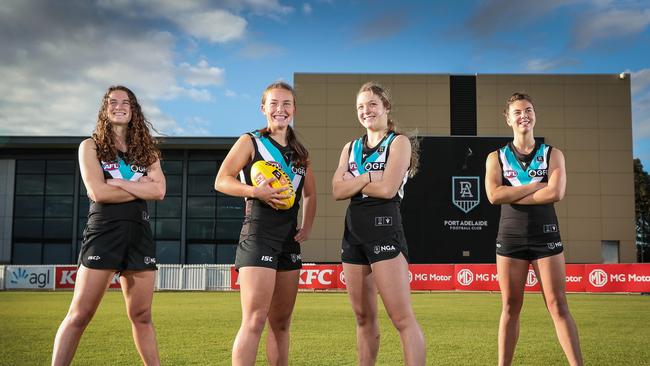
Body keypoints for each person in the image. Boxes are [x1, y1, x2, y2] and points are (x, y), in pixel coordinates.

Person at [52, 86, 166, 366]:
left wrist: (118, 183)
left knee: (142, 316)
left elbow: (160, 191)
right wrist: (139, 187)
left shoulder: (146, 150)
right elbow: (99, 193)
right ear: (105, 109)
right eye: (112, 102)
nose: (119, 106)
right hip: (104, 232)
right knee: (80, 314)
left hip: (139, 233)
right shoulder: (90, 146)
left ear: (133, 109)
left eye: (125, 102)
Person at [214, 81, 317, 366]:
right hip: (259, 233)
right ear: (263, 109)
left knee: (281, 324)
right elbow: (222, 180)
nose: (280, 109)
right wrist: (254, 191)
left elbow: (310, 194)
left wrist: (306, 227)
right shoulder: (251, 142)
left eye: (286, 104)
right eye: (273, 104)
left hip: (288, 240)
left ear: (294, 109)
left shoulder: (300, 153)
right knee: (255, 319)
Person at [485, 92, 583, 366]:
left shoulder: (552, 154)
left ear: (534, 115)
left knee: (558, 306)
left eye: (528, 110)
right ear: (508, 119)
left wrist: (512, 192)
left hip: (546, 237)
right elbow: (493, 196)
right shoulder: (496, 157)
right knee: (509, 307)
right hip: (510, 238)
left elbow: (556, 193)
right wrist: (532, 187)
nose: (523, 115)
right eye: (517, 112)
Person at [332, 82, 425, 366]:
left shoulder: (399, 143)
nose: (366, 111)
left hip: (384, 225)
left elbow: (387, 190)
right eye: (360, 106)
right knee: (363, 317)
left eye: (372, 104)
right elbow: (337, 190)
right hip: (353, 231)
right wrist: (369, 178)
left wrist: (355, 181)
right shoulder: (350, 147)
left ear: (386, 107)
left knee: (401, 318)